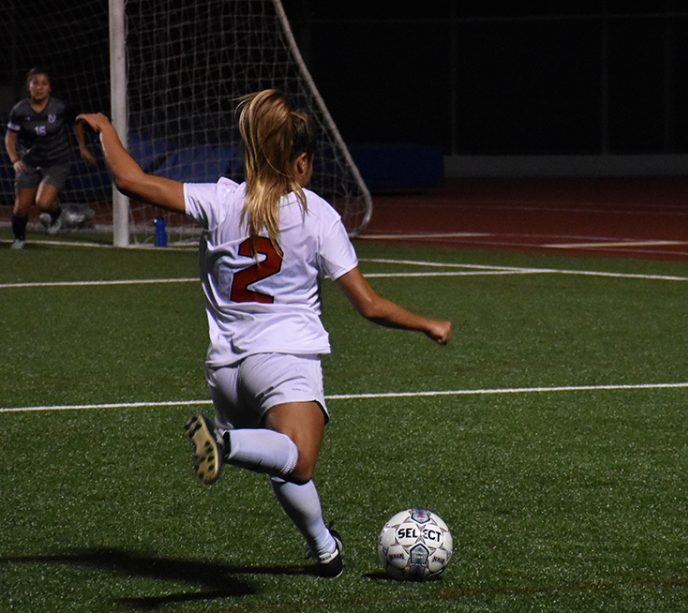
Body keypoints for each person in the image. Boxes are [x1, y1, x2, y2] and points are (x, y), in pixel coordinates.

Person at [77, 89, 452, 578]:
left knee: (279, 458)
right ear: (300, 163)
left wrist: (106, 130)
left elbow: (130, 181)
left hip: (225, 369)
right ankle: (227, 443)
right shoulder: (317, 215)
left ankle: (325, 550)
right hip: (284, 361)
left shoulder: (219, 199)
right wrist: (428, 323)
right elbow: (370, 306)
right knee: (296, 460)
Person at [5, 67, 97, 249]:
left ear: (50, 88)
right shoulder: (20, 110)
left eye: (43, 84)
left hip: (57, 159)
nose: (39, 87)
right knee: (21, 206)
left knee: (43, 203)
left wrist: (82, 147)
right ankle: (19, 239)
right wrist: (15, 160)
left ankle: (56, 214)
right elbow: (10, 137)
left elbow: (77, 123)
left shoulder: (60, 107)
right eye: (35, 83)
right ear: (29, 87)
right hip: (29, 161)